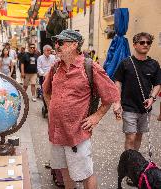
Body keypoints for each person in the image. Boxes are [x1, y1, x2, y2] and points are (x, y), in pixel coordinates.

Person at [43, 29, 120, 189]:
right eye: (56, 42)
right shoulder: (56, 67)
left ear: (74, 45)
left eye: (61, 43)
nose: (56, 46)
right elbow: (46, 91)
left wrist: (96, 117)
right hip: (56, 132)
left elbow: (110, 94)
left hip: (77, 133)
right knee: (65, 171)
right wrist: (52, 110)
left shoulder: (90, 67)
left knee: (85, 173)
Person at [113, 32, 161, 151]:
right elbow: (118, 82)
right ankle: (128, 163)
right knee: (131, 137)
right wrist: (117, 102)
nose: (145, 45)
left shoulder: (154, 64)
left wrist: (152, 98)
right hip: (129, 107)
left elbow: (157, 84)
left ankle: (134, 160)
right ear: (134, 45)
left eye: (148, 42)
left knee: (139, 136)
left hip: (145, 108)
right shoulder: (125, 63)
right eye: (142, 42)